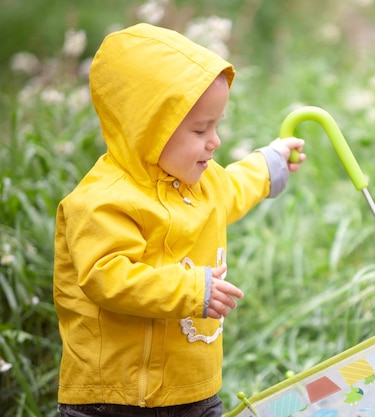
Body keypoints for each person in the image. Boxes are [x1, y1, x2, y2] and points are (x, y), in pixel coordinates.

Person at [53, 23, 305, 416]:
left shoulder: (200, 181)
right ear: (148, 130)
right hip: (114, 397)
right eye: (200, 129)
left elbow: (235, 186)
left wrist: (270, 162)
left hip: (193, 391)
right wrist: (192, 290)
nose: (215, 140)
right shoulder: (103, 201)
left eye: (216, 125)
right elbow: (107, 276)